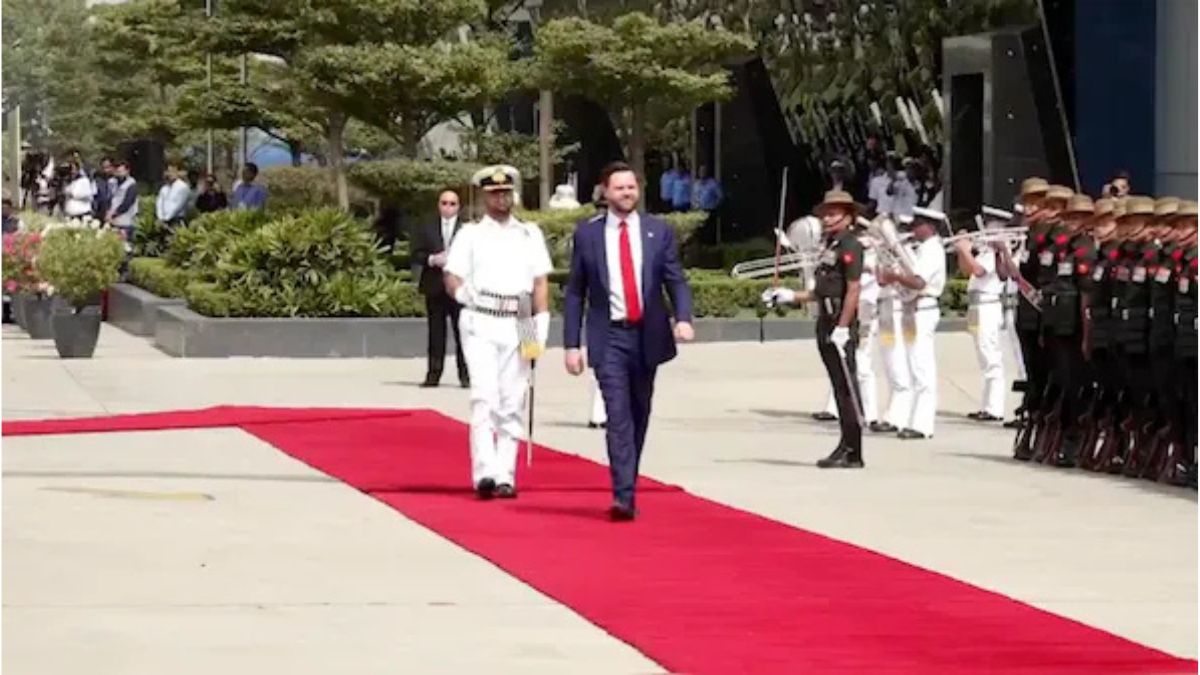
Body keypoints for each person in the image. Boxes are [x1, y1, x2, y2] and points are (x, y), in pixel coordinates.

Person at [563, 161, 695, 520]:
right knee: (617, 414)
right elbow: (575, 292)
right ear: (605, 192)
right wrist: (571, 345)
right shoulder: (588, 235)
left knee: (639, 412)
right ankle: (623, 496)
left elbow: (675, 279)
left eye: (631, 187)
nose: (626, 193)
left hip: (648, 335)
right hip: (609, 337)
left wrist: (683, 318)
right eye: (619, 188)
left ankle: (628, 479)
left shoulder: (658, 231)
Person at [445, 166, 552, 500]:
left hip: (521, 315)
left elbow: (540, 282)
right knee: (484, 396)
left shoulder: (530, 233)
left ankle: (506, 473)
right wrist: (462, 294)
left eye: (506, 193)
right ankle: (485, 472)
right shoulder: (470, 234)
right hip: (482, 317)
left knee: (513, 399)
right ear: (484, 196)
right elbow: (452, 275)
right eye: (494, 194)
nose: (501, 199)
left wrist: (541, 324)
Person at [763, 189, 866, 467]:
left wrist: (843, 327)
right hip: (825, 319)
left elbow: (853, 289)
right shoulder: (830, 246)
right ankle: (845, 444)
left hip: (839, 321)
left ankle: (853, 450)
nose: (827, 219)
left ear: (848, 217)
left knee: (846, 388)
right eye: (825, 214)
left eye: (834, 214)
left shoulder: (851, 246)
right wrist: (790, 295)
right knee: (837, 386)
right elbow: (820, 291)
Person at [878, 206, 947, 440]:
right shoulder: (922, 249)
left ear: (930, 227)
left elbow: (918, 282)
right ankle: (906, 419)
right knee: (912, 364)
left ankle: (923, 425)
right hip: (912, 310)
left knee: (922, 367)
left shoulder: (933, 249)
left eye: (918, 225)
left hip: (923, 308)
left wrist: (894, 276)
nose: (913, 229)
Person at [819, 219, 883, 431]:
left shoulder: (873, 254)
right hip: (841, 311)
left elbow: (857, 286)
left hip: (863, 310)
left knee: (861, 365)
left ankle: (869, 414)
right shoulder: (838, 248)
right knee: (841, 367)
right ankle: (834, 409)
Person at [413, 189, 470, 388]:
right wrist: (431, 259)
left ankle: (466, 375)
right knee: (436, 333)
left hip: (459, 288)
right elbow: (415, 253)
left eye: (452, 204)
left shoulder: (467, 229)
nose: (448, 207)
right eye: (444, 203)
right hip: (434, 285)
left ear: (458, 207)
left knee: (462, 332)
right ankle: (433, 374)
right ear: (438, 205)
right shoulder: (426, 226)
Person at [952, 216, 1006, 422]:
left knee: (990, 354)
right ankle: (987, 404)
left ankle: (994, 408)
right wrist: (962, 251)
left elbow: (979, 270)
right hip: (977, 306)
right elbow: (968, 270)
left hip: (988, 305)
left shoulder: (995, 254)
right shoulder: (984, 253)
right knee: (983, 355)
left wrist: (965, 249)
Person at [155, 161, 191, 230]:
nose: (170, 174)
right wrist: (160, 217)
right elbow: (159, 203)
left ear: (177, 172)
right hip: (163, 221)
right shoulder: (164, 188)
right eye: (168, 171)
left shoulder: (182, 187)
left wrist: (166, 219)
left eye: (172, 171)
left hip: (176, 221)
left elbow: (178, 206)